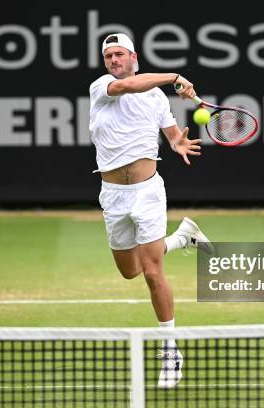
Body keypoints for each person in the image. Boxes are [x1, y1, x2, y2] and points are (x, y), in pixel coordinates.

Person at [89, 33, 213, 389]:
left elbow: (172, 135)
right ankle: (184, 236)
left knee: (152, 273)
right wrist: (175, 76)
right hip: (113, 195)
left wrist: (178, 142)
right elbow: (129, 86)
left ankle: (170, 352)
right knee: (130, 270)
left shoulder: (157, 97)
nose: (113, 60)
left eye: (119, 54)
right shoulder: (102, 86)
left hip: (147, 193)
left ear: (133, 56)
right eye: (108, 56)